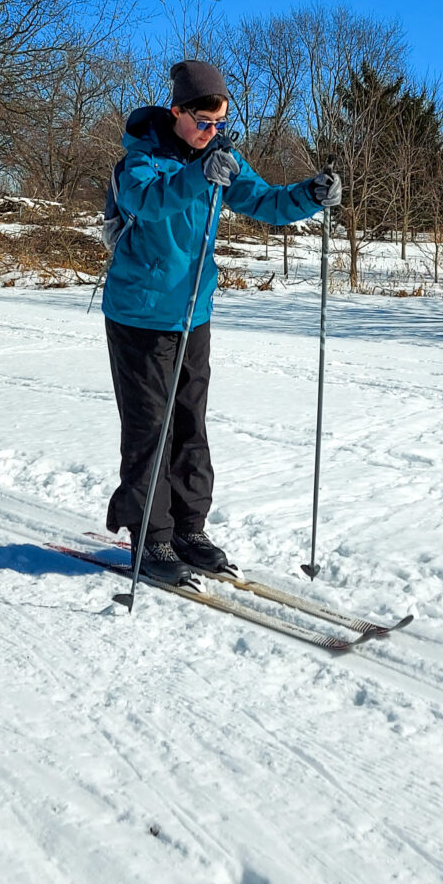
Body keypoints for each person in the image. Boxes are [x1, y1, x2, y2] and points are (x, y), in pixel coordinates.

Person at [102, 60, 341, 585]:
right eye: (204, 122)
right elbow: (148, 201)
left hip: (193, 313)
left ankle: (189, 529)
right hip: (140, 314)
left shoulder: (219, 157)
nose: (212, 131)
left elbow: (264, 200)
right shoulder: (139, 159)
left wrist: (310, 195)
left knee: (190, 425)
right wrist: (198, 174)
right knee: (151, 429)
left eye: (220, 123)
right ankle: (152, 537)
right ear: (177, 111)